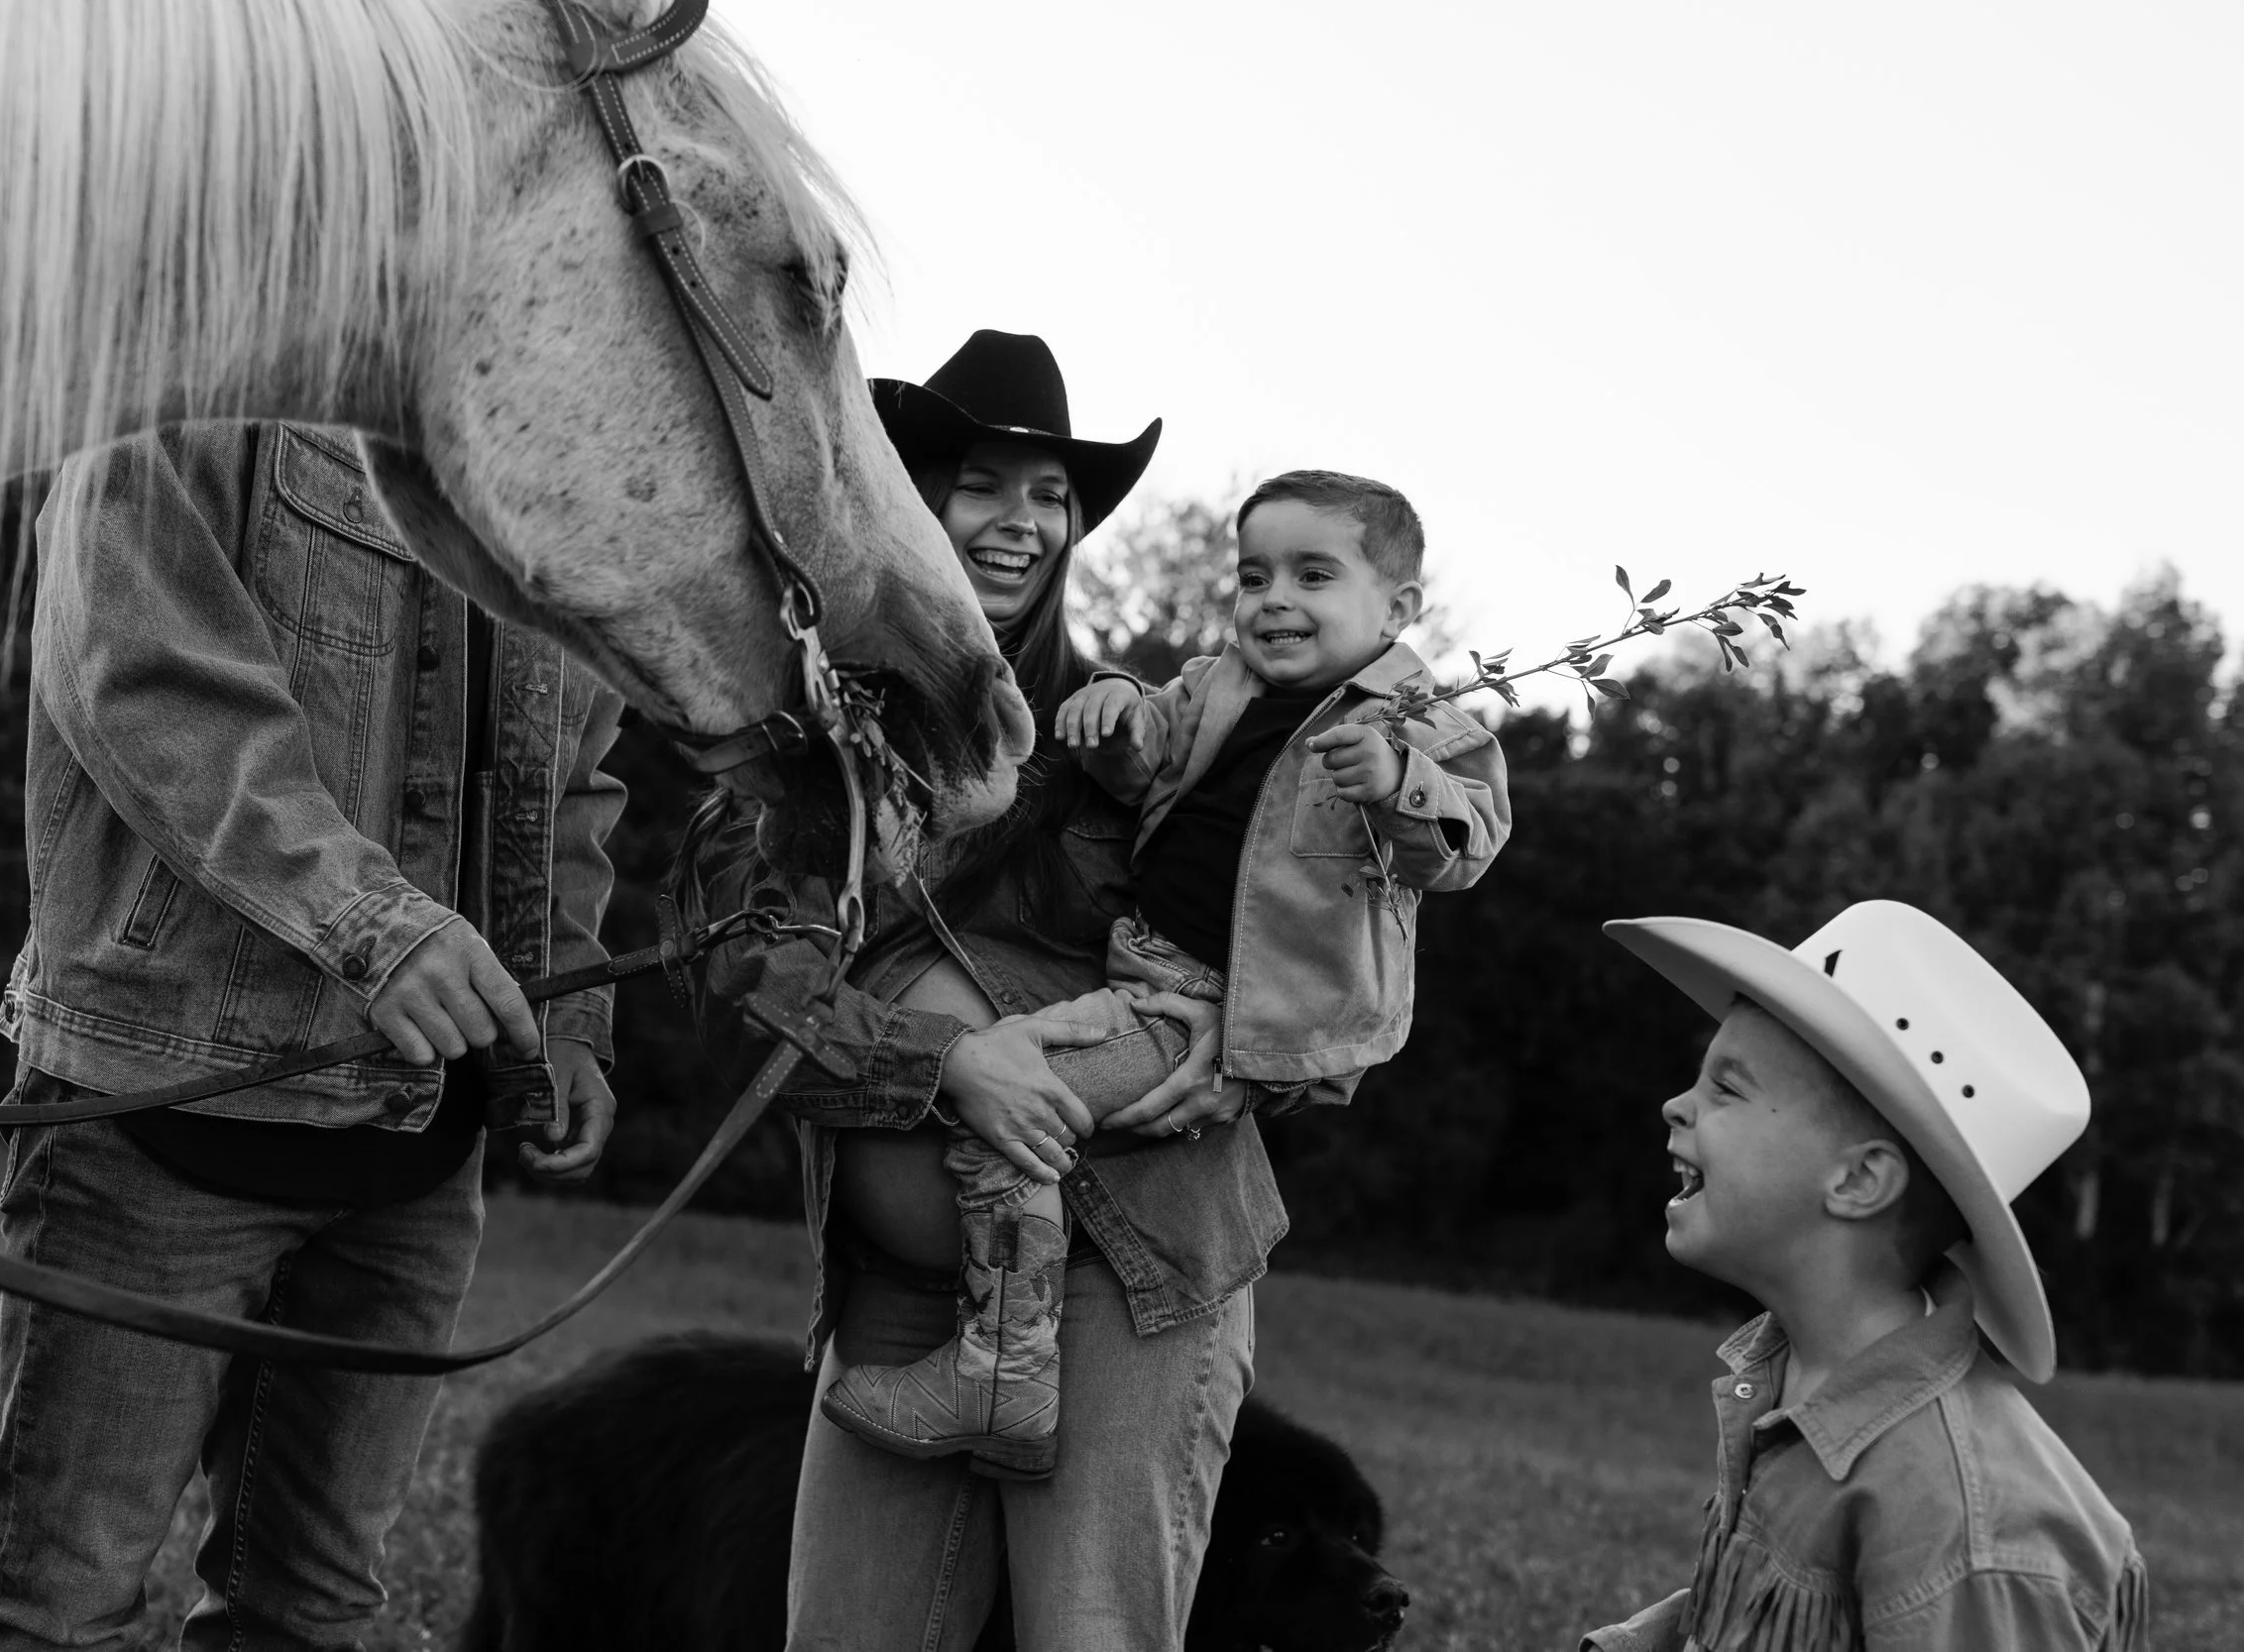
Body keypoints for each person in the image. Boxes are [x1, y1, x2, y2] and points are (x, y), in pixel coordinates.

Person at [0, 422, 628, 1648]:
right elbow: (140, 676)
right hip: (165, 1107)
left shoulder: (535, 462)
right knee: (52, 1604)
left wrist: (567, 1005)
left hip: (418, 1147)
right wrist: (374, 925)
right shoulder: (193, 383)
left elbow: (576, 776)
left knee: (305, 1608)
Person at [696, 329, 1276, 1649]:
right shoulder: (803, 719)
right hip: (904, 1298)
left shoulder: (1140, 727)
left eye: (1051, 494)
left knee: (1090, 1637)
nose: (1023, 522)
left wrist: (1241, 1043)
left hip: (1125, 1272)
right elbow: (750, 958)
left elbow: (1285, 928)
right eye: (988, 484)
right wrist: (945, 1062)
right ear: (915, 492)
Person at [824, 467, 1513, 1473]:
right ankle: (1007, 1371)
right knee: (1018, 1104)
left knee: (1010, 1118)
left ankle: (1003, 1369)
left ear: (1397, 607)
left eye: (1313, 574)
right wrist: (1114, 707)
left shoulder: (1417, 721)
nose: (1273, 598)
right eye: (1253, 575)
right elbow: (1147, 755)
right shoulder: (1220, 683)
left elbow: (1469, 841)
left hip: (1214, 1007)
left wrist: (1402, 785)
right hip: (1141, 974)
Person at [1583, 900, 2148, 1652]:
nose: (1676, 1105)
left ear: (1857, 1181)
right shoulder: (1791, 1376)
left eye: (1728, 1087)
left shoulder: (1961, 1526)